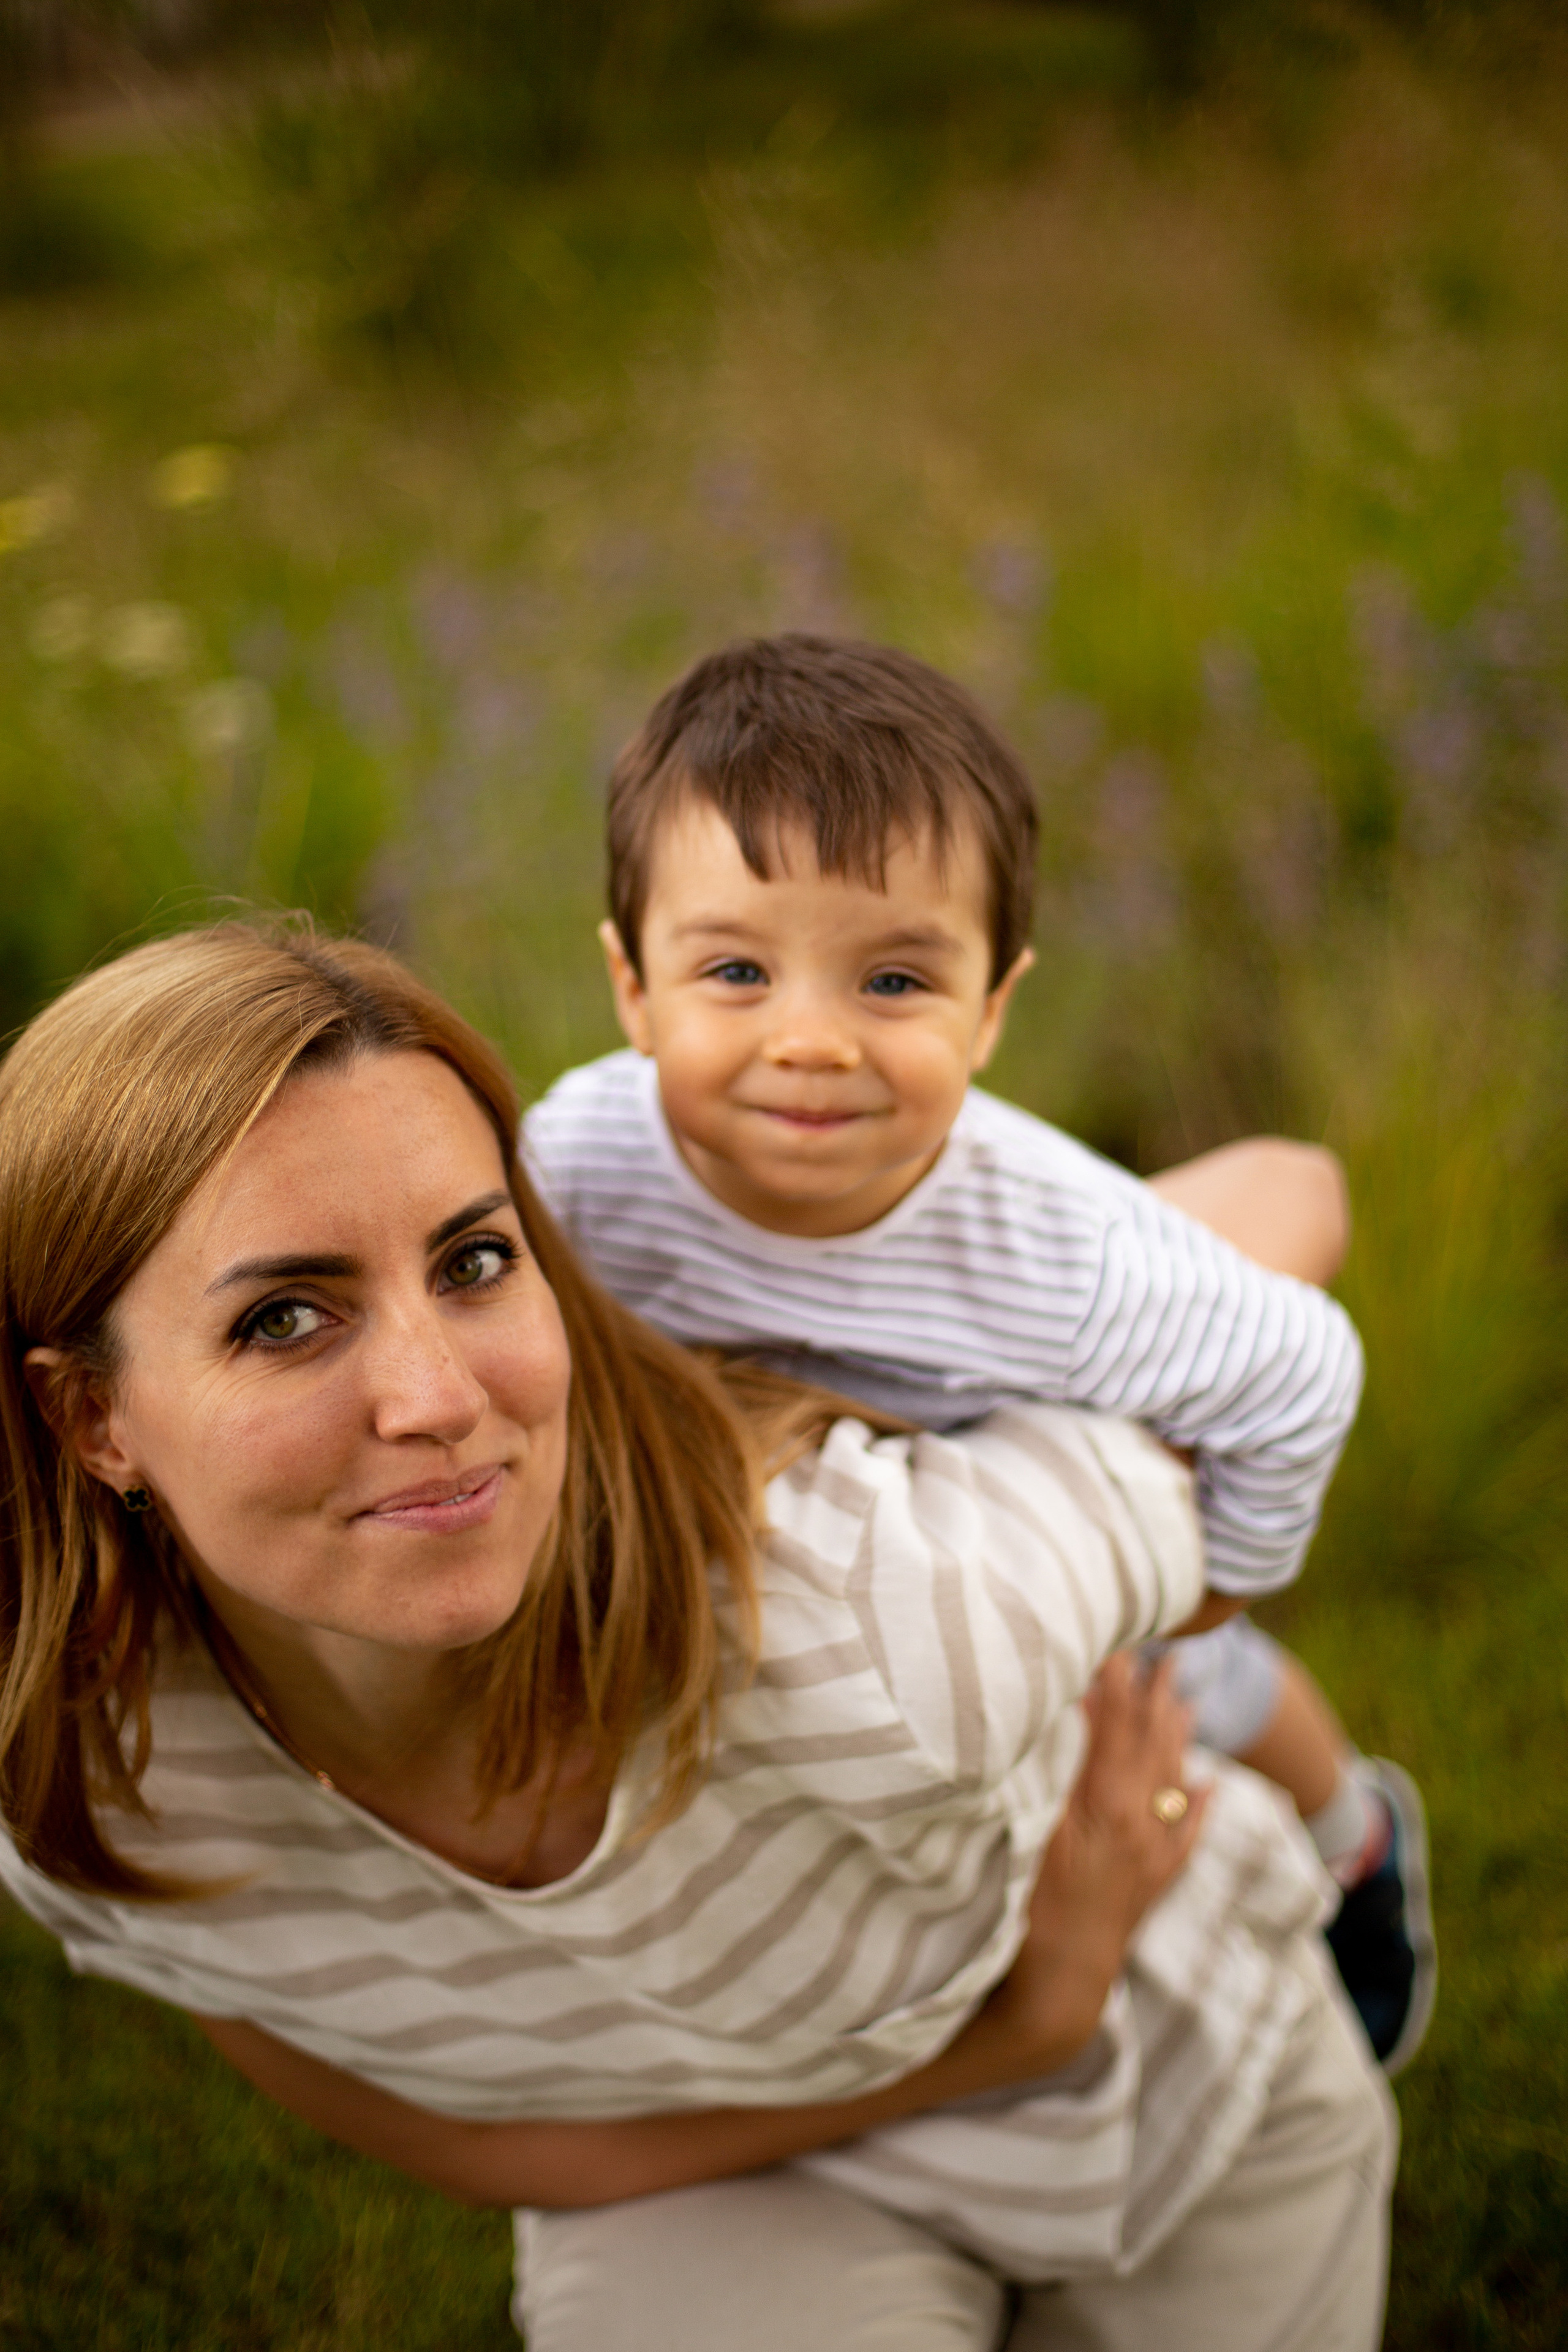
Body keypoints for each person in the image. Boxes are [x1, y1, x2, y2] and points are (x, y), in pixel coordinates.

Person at [0, 923, 1395, 2352]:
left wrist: (1052, 2018)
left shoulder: (880, 1613)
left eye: (475, 1260)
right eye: (286, 1317)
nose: (435, 1397)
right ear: (93, 1417)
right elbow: (474, 2149)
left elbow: (1267, 1248)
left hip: (1152, 2064)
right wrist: (1002, 2033)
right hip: (718, 2157)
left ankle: (1355, 1851)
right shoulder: (102, 1790)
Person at [525, 631, 1436, 2070]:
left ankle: (1353, 1840)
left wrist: (1212, 1583)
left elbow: (1296, 1365)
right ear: (633, 985)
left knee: (1201, 1691)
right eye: (736, 971)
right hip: (799, 1485)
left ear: (991, 1008)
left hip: (1006, 1460)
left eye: (892, 983)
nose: (811, 1040)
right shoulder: (578, 1160)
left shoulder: (1059, 1256)